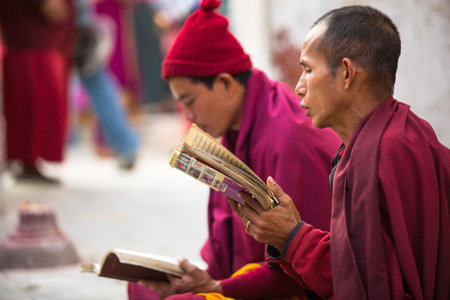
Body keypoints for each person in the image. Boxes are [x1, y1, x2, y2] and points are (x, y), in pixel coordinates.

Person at [128, 0, 340, 299]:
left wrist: (215, 288)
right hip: (245, 279)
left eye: (190, 101)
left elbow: (302, 268)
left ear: (225, 83)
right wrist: (201, 280)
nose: (188, 115)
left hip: (294, 288)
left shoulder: (290, 137)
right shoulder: (233, 127)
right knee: (141, 287)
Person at [235, 5, 450, 300]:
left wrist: (292, 237)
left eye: (308, 70)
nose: (298, 87)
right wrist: (290, 233)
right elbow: (360, 266)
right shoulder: (392, 136)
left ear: (346, 73)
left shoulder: (386, 153)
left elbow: (374, 288)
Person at [0, 0, 75, 183]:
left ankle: (29, 162)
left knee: (38, 100)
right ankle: (25, 160)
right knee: (33, 98)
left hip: (46, 31)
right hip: (30, 25)